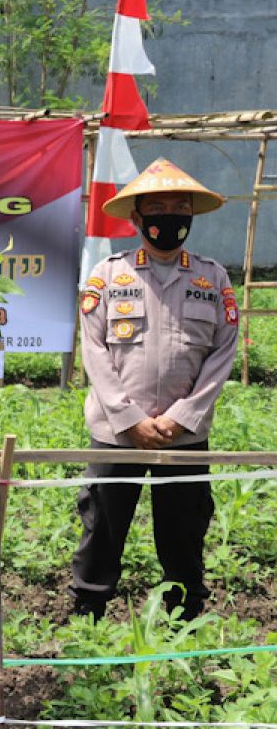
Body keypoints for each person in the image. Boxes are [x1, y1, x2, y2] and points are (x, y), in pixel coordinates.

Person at [71, 158, 238, 620]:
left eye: (179, 207)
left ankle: (184, 615)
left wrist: (183, 416)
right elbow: (95, 352)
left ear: (191, 215)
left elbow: (222, 354)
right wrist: (129, 420)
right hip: (116, 434)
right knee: (102, 522)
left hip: (184, 437)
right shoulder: (107, 275)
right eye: (158, 207)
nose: (171, 216)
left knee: (184, 526)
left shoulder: (213, 278)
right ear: (137, 217)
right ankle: (88, 613)